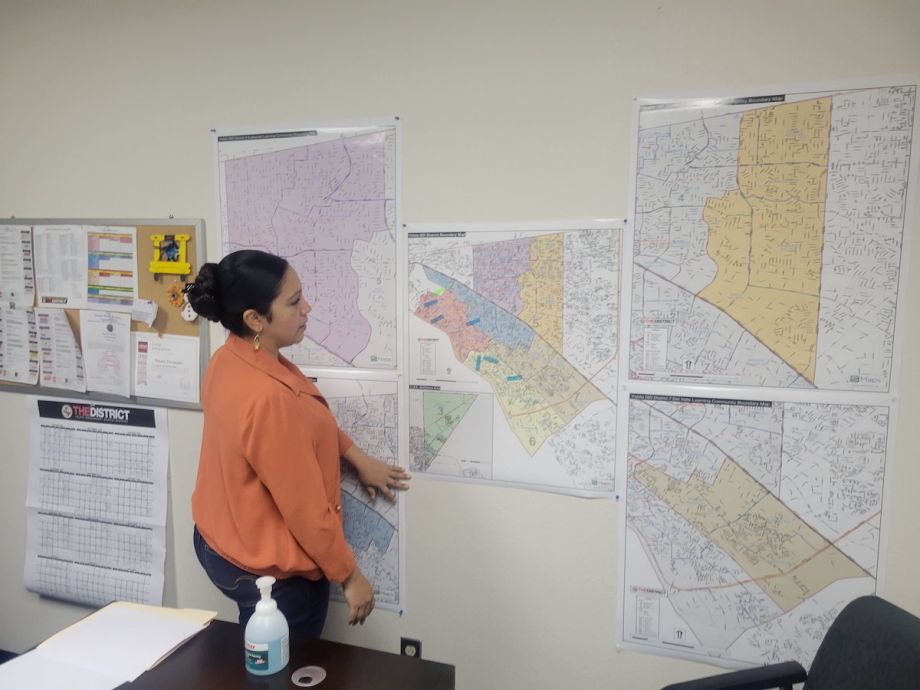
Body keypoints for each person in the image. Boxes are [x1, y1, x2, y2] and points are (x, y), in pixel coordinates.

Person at [184, 249, 410, 639]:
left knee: (256, 657)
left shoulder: (231, 359)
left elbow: (302, 420)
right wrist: (350, 576)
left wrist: (356, 457)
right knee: (279, 672)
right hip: (267, 574)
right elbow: (305, 509)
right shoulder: (268, 398)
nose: (307, 308)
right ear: (254, 319)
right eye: (293, 302)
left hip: (216, 541)